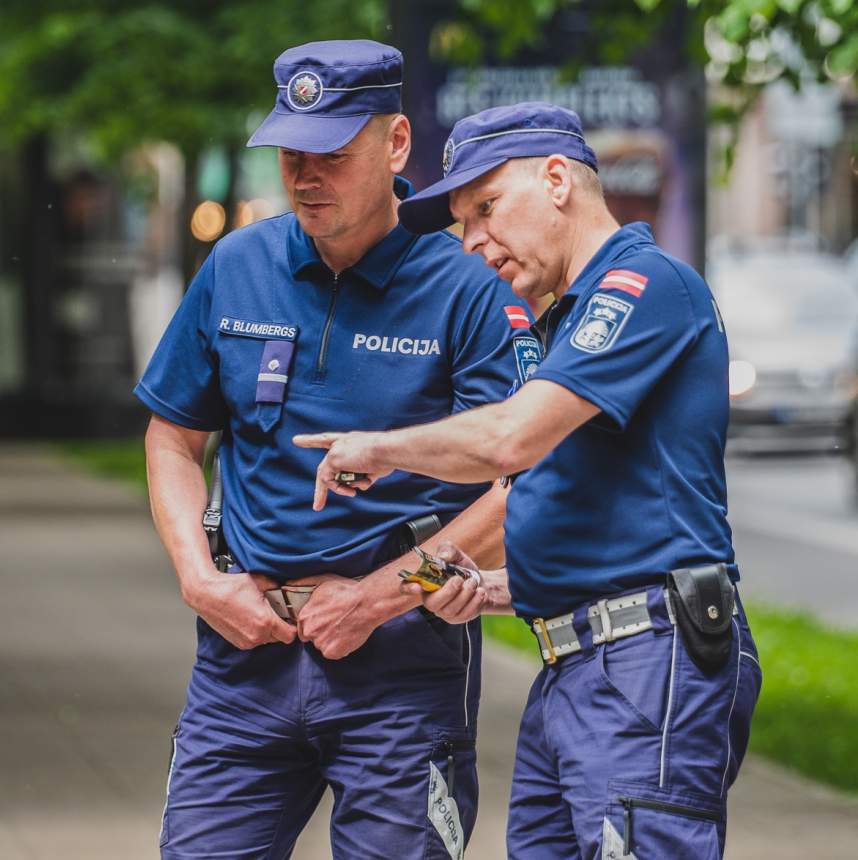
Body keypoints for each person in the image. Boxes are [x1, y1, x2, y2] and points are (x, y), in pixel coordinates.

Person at [297, 102, 760, 860]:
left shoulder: (642, 285)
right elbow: (588, 500)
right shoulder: (563, 321)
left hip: (645, 663)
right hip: (577, 661)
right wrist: (497, 589)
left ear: (555, 181)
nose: (475, 242)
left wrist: (379, 449)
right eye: (462, 223)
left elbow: (512, 437)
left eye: (485, 208)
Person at [137, 41, 537, 860]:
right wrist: (197, 579)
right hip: (241, 659)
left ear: (395, 145)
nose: (305, 175)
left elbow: (517, 483)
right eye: (291, 154)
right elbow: (174, 436)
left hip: (401, 663)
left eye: (332, 155)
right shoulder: (238, 264)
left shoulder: (468, 281)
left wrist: (383, 597)